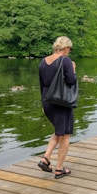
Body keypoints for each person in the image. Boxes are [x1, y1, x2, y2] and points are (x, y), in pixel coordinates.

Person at [38, 36, 77, 179]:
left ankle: (45, 158)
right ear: (66, 48)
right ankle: (59, 169)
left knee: (58, 132)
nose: (69, 52)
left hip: (47, 102)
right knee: (65, 134)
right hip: (61, 102)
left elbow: (41, 85)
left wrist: (43, 104)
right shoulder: (65, 60)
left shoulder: (43, 61)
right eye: (69, 49)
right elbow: (71, 80)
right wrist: (73, 69)